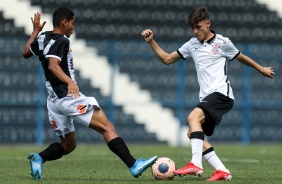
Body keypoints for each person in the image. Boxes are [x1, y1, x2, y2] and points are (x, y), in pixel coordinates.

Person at [141, 6, 275, 182]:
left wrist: (261, 69)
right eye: (193, 28)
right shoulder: (191, 45)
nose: (196, 31)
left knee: (193, 117)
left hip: (222, 94)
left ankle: (195, 164)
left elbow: (241, 56)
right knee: (192, 133)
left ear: (208, 23)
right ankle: (222, 171)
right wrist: (151, 41)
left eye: (199, 27)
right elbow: (166, 59)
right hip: (207, 97)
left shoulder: (223, 42)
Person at [22, 7, 157, 180]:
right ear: (64, 22)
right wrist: (70, 82)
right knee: (107, 127)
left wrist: (34, 32)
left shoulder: (42, 37)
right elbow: (52, 66)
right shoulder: (62, 40)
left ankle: (39, 158)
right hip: (66, 97)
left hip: (53, 100)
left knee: (69, 144)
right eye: (72, 23)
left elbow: (26, 52)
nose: (73, 27)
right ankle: (134, 164)